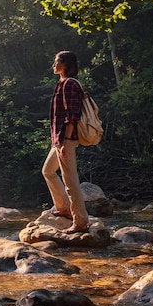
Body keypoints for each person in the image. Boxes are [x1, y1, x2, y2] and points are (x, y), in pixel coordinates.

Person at [41, 51, 90, 234]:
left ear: (65, 64)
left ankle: (81, 221)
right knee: (47, 170)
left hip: (65, 139)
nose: (53, 65)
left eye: (56, 62)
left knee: (70, 181)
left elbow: (72, 116)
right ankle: (64, 208)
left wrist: (65, 141)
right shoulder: (62, 83)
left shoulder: (69, 84)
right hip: (59, 139)